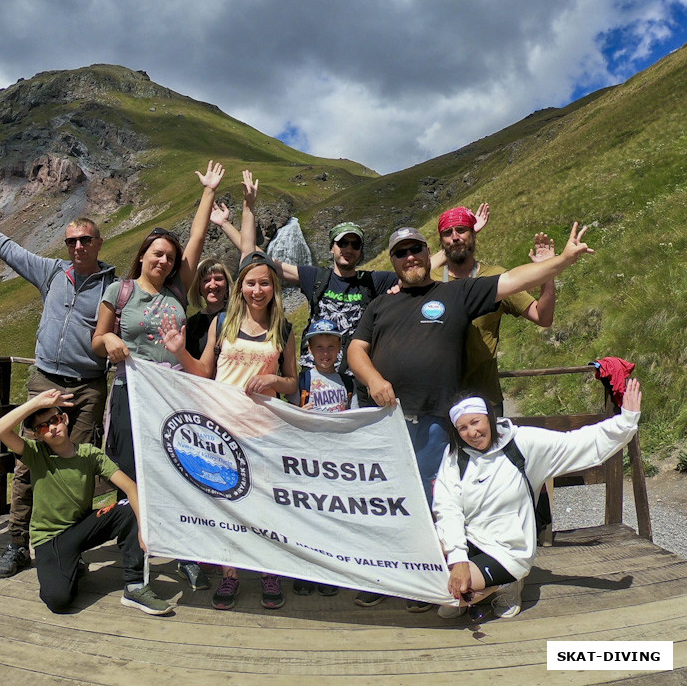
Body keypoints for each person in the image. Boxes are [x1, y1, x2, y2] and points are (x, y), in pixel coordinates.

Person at [347, 222, 594, 608]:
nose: (410, 257)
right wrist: (374, 380)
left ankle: (426, 579)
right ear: (393, 261)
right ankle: (384, 574)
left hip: (433, 422)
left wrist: (560, 262)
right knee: (385, 498)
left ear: (430, 256)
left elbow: (512, 280)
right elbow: (356, 351)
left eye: (416, 250)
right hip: (384, 424)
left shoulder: (456, 292)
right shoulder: (380, 304)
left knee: (435, 503)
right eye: (401, 252)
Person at [162, 172, 298, 611]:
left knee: (265, 503)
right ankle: (229, 573)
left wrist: (276, 381)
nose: (257, 289)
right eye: (251, 282)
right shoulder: (223, 323)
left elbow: (294, 383)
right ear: (241, 287)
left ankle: (270, 575)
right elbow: (202, 372)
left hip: (264, 429)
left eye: (265, 283)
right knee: (225, 502)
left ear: (274, 287)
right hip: (221, 427)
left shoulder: (285, 328)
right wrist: (180, 352)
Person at [92, 161, 225, 592]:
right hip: (130, 393)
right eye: (158, 254)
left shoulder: (175, 291)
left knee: (178, 471)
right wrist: (109, 343)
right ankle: (136, 570)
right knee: (130, 476)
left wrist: (207, 193)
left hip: (172, 395)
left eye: (170, 256)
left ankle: (184, 554)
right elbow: (96, 341)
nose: (165, 261)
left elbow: (199, 240)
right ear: (144, 255)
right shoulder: (120, 291)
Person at [0, 205, 116, 579]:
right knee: (26, 465)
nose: (77, 246)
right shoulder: (52, 273)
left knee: (77, 469)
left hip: (86, 388)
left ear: (98, 242)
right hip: (45, 379)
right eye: (71, 241)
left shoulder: (113, 289)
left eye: (85, 240)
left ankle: (71, 547)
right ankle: (18, 545)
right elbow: (11, 250)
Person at [433, 380, 642, 619]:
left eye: (475, 422)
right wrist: (457, 557)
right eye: (462, 428)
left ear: (489, 417)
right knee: (429, 583)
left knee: (452, 596)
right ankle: (476, 583)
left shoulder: (522, 444)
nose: (471, 432)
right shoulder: (454, 456)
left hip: (508, 548)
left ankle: (507, 585)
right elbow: (446, 507)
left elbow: (577, 443)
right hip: (470, 539)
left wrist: (626, 421)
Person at [212, 201, 490, 374]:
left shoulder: (373, 281)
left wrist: (465, 238)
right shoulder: (314, 276)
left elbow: (419, 264)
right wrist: (226, 225)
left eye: (355, 244)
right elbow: (261, 259)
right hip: (315, 373)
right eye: (343, 243)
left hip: (357, 372)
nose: (348, 249)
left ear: (360, 251)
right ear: (332, 248)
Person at [0, 389, 172, 616]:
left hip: (81, 527)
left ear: (64, 419)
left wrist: (143, 530)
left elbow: (130, 487)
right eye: (44, 427)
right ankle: (70, 566)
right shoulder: (35, 453)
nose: (53, 428)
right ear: (37, 435)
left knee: (127, 509)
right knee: (58, 600)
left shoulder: (89, 454)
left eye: (55, 420)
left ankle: (135, 586)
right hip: (50, 539)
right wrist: (37, 402)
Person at [431, 205, 556, 413]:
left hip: (485, 400)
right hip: (438, 400)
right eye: (447, 233)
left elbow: (543, 318)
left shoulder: (497, 278)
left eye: (462, 230)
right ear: (441, 241)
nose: (454, 237)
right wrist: (463, 234)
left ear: (473, 235)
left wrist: (547, 272)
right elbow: (407, 275)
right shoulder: (430, 280)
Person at [292, 318, 352, 598]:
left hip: (337, 459)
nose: (325, 353)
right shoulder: (303, 379)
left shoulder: (348, 381)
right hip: (308, 458)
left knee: (332, 514)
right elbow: (290, 413)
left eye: (331, 346)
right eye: (319, 347)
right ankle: (305, 569)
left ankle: (329, 569)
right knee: (307, 514)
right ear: (310, 349)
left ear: (340, 347)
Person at [185, 257, 232, 358]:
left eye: (218, 279)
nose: (213, 285)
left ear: (227, 284)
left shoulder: (237, 318)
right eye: (206, 280)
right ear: (198, 287)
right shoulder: (191, 324)